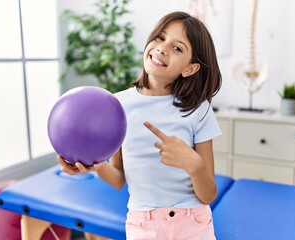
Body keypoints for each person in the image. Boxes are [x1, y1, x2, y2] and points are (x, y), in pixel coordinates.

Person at [58, 11, 222, 240]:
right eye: (160, 37)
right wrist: (94, 165)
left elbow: (208, 194)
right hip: (144, 227)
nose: (162, 49)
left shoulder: (199, 110)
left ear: (190, 68)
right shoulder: (116, 105)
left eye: (178, 48)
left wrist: (193, 163)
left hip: (193, 223)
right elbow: (118, 178)